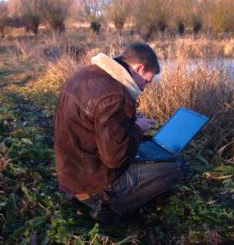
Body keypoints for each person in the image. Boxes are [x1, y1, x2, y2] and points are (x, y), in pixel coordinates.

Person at [54, 42, 183, 221]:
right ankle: (108, 207)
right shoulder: (115, 95)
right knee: (174, 168)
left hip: (70, 174)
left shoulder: (83, 73)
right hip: (92, 183)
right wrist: (138, 128)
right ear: (139, 68)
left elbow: (93, 123)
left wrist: (128, 120)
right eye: (146, 81)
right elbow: (115, 159)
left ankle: (84, 196)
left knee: (145, 154)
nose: (144, 88)